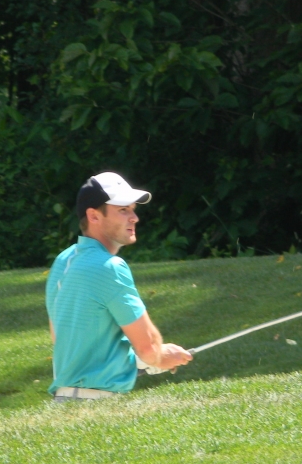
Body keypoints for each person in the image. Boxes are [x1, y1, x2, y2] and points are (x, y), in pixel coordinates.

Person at [45, 172, 192, 401]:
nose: (134, 218)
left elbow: (65, 342)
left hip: (64, 400)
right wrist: (161, 356)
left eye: (133, 209)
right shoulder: (110, 266)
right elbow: (148, 348)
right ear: (94, 216)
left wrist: (142, 362)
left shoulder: (63, 261)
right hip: (95, 403)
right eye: (123, 210)